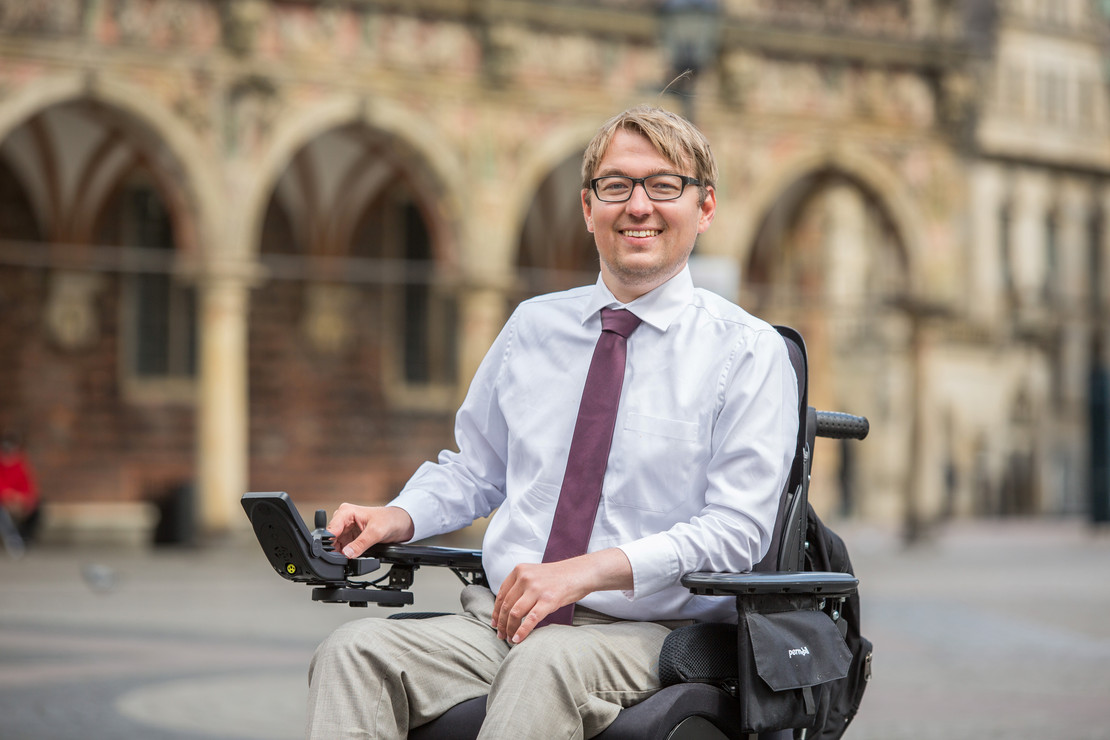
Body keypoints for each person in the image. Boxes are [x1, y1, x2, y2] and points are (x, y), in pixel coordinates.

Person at [307, 104, 799, 739]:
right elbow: (477, 470)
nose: (639, 205)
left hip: (653, 634)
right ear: (588, 209)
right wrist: (397, 516)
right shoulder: (532, 328)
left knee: (546, 664)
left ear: (704, 208)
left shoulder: (749, 352)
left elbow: (737, 532)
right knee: (355, 651)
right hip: (504, 620)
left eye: (664, 185)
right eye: (616, 186)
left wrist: (585, 570)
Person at [0, 432, 41, 554]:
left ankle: (25, 537)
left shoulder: (20, 464)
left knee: (38, 506)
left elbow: (28, 486)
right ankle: (12, 538)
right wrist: (7, 495)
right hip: (4, 500)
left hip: (18, 501)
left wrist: (23, 498)